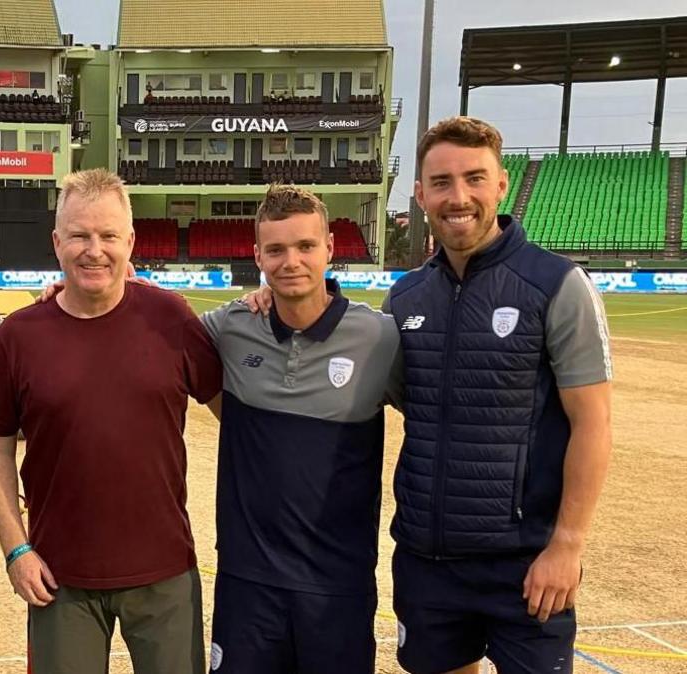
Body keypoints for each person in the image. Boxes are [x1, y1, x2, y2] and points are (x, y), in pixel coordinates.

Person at [386, 116, 612, 674]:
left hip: (526, 564)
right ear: (419, 195)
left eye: (474, 178)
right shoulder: (405, 296)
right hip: (427, 560)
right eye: (440, 183)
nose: (457, 197)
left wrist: (567, 547)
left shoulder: (557, 284)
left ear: (502, 184)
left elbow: (594, 424)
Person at [0, 168, 222, 674]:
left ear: (130, 241)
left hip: (164, 574)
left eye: (109, 235)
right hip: (58, 580)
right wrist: (15, 548)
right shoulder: (20, 335)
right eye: (80, 235)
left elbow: (236, 418)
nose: (95, 250)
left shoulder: (170, 318)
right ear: (57, 241)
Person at [203, 185, 400, 673]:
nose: (291, 261)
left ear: (330, 247)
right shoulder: (230, 327)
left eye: (306, 246)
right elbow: (154, 325)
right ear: (258, 256)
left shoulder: (379, 338)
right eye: (276, 249)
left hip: (338, 585)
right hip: (248, 581)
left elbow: (437, 422)